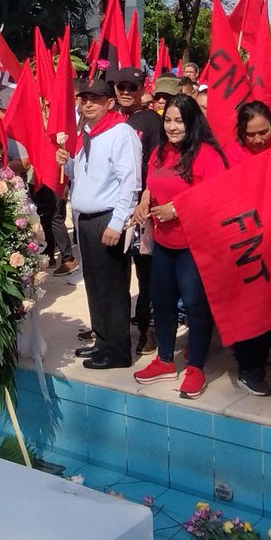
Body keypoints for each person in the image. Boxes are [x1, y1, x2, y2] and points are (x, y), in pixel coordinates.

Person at [132, 94, 227, 399]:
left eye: (179, 121)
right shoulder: (160, 151)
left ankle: (196, 365)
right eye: (168, 120)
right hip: (163, 242)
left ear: (192, 121)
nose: (172, 127)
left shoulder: (207, 155)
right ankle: (164, 359)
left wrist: (178, 209)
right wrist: (145, 201)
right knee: (161, 300)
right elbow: (151, 182)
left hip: (194, 245)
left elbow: (217, 197)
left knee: (196, 305)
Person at [58, 77, 141, 370]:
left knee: (112, 287)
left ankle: (118, 350)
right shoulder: (89, 134)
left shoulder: (121, 133)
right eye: (84, 98)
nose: (88, 103)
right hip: (86, 220)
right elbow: (86, 175)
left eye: (95, 98)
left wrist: (117, 223)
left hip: (107, 219)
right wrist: (67, 163)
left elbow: (130, 183)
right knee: (95, 286)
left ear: (110, 103)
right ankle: (103, 340)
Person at [223, 100, 271, 394]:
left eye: (264, 132)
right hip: (243, 240)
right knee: (249, 305)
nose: (258, 140)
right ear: (240, 133)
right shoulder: (231, 155)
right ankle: (249, 367)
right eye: (251, 134)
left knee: (270, 303)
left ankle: (260, 355)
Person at [111, 66, 164, 355]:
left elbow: (158, 162)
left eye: (132, 87)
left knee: (147, 273)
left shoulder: (152, 121)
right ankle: (111, 327)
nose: (126, 92)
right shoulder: (110, 119)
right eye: (121, 87)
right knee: (114, 273)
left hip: (142, 209)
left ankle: (147, 329)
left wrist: (147, 198)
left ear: (143, 88)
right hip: (113, 208)